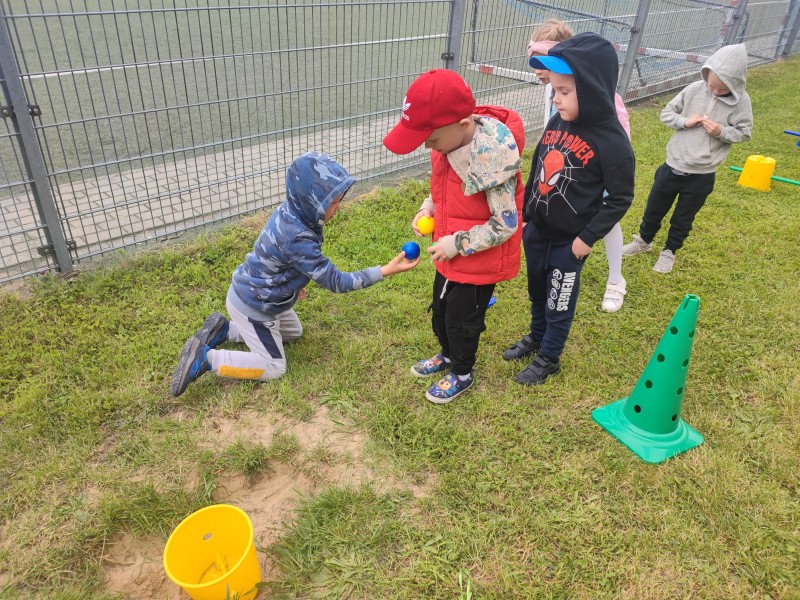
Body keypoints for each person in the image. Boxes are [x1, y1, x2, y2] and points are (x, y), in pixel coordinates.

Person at [169, 151, 419, 397]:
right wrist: (384, 271)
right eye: (332, 203)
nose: (338, 208)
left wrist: (294, 282)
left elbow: (281, 259)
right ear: (312, 203)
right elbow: (336, 281)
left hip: (262, 294)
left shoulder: (293, 211)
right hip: (255, 305)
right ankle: (205, 358)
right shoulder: (297, 236)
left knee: (293, 332)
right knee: (274, 367)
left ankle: (224, 330)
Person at [382, 69, 525, 404]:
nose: (427, 146)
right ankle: (447, 355)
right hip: (450, 254)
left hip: (476, 261)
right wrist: (429, 206)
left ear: (461, 125)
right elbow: (444, 188)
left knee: (463, 320)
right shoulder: (448, 143)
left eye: (431, 139)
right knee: (442, 310)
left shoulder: (491, 159)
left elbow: (505, 224)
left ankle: (462, 372)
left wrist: (456, 244)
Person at [504, 32, 635, 385]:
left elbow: (621, 197)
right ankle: (536, 336)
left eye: (564, 91)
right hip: (538, 231)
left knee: (558, 300)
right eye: (554, 90)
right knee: (537, 290)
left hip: (570, 242)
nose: (556, 98)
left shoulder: (612, 141)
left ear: (591, 89)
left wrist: (586, 239)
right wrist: (527, 215)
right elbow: (538, 165)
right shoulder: (557, 121)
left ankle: (549, 356)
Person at [527, 19, 631, 313]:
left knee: (606, 221)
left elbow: (618, 150)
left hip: (593, 170)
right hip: (562, 162)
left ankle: (615, 278)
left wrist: (600, 170)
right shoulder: (557, 92)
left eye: (546, 58)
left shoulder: (601, 99)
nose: (539, 70)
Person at [621, 43, 752, 273]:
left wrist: (721, 131)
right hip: (671, 167)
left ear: (735, 85)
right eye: (711, 85)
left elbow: (744, 133)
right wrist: (684, 121)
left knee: (683, 218)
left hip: (701, 175)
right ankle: (644, 241)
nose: (715, 92)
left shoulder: (741, 101)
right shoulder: (693, 89)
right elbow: (666, 113)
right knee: (654, 209)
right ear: (706, 74)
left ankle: (669, 251)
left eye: (722, 89)